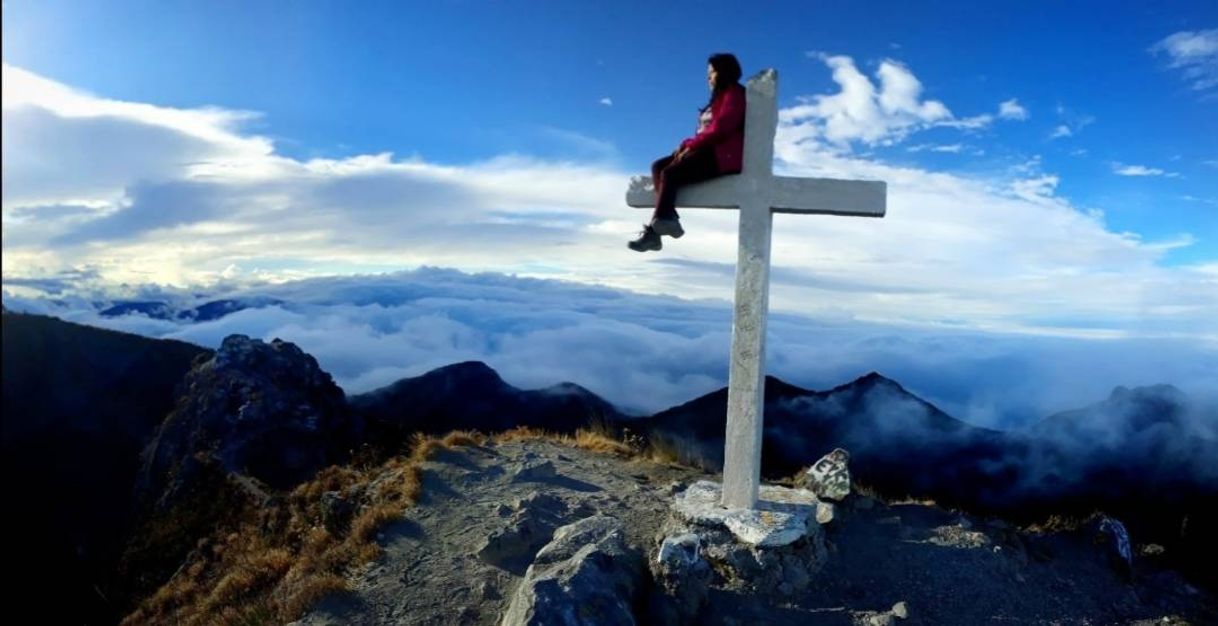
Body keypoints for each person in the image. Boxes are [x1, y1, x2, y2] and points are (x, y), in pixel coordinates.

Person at [629, 53, 746, 252]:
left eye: (712, 72)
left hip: (723, 156)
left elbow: (721, 129)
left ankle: (658, 228)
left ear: (724, 71)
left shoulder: (735, 93)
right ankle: (664, 222)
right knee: (658, 166)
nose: (708, 77)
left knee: (670, 173)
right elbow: (705, 132)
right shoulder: (717, 99)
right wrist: (686, 145)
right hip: (706, 151)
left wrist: (691, 146)